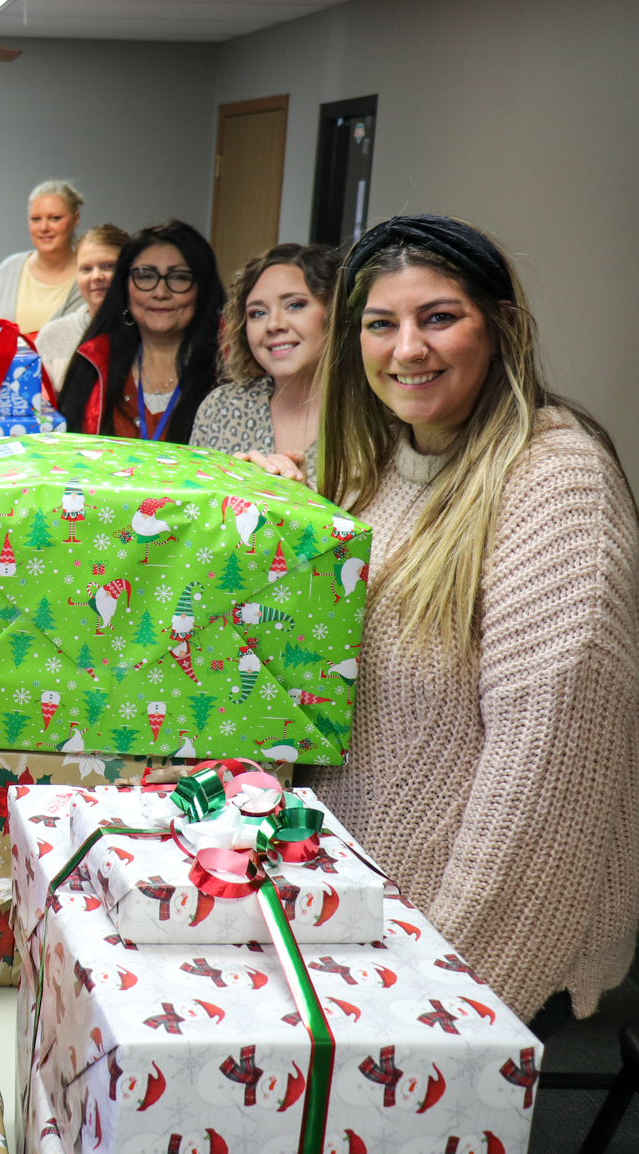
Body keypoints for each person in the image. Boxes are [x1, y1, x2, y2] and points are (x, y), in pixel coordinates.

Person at [251, 214, 638, 1029]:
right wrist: (270, 518)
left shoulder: (554, 482)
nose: (406, 351)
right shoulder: (391, 458)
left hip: (452, 943)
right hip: (353, 907)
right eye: (380, 324)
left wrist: (442, 999)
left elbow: (543, 789)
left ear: (500, 328)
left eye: (437, 318)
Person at [53, 220, 226, 443]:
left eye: (179, 277)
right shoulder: (93, 364)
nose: (161, 292)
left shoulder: (228, 373)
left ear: (202, 290)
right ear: (125, 288)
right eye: (146, 276)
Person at [190, 243, 337, 484]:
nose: (273, 324)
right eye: (258, 313)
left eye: (294, 305)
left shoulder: (374, 415)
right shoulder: (221, 407)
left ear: (335, 312)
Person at [0, 181, 88, 334]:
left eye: (55, 218)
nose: (44, 228)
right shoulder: (9, 269)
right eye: (36, 219)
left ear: (75, 219)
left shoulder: (89, 277)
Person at [35, 223, 130, 387]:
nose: (96, 276)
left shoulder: (148, 333)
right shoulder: (51, 336)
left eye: (108, 266)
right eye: (86, 269)